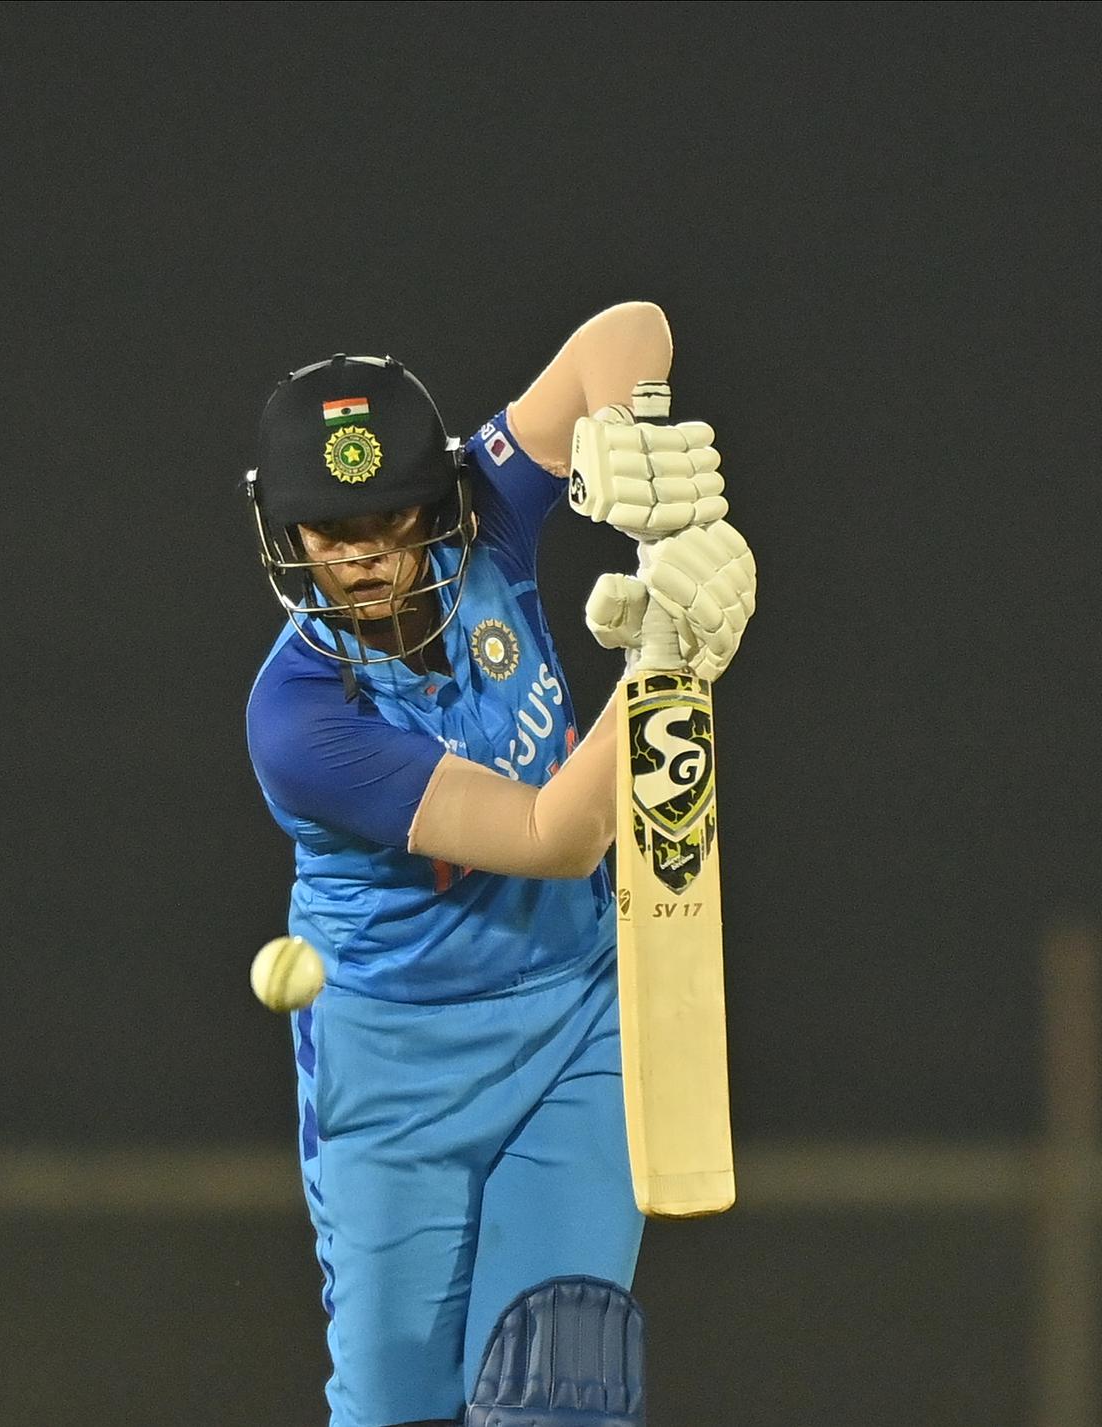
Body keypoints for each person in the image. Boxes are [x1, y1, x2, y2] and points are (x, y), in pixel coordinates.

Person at [243, 302, 756, 1427]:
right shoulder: (298, 717)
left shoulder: (487, 523)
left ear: (439, 500)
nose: (368, 560)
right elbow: (549, 835)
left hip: (576, 1021)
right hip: (395, 1076)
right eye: (333, 535)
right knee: (398, 1411)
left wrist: (634, 435)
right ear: (287, 538)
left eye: (391, 521)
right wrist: (668, 657)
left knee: (556, 1383)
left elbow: (629, 328)